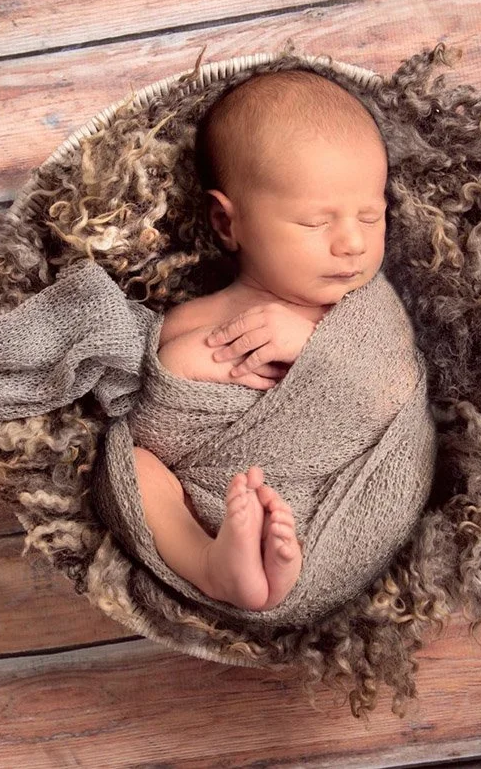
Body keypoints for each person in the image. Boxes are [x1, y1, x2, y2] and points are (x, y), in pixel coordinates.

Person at [131, 70, 389, 612]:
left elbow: (395, 396)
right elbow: (152, 428)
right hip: (217, 503)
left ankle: (280, 572)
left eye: (372, 214)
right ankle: (210, 564)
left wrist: (319, 350)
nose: (354, 242)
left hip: (336, 506)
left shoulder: (367, 309)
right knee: (130, 464)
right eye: (316, 223)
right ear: (228, 223)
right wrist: (187, 365)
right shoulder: (199, 319)